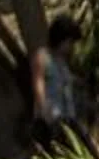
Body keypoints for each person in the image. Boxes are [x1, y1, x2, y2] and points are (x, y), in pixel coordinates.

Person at [28, 16, 89, 151]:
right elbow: (38, 86)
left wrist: (80, 82)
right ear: (60, 39)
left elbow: (64, 81)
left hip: (68, 119)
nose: (71, 47)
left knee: (91, 156)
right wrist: (46, 114)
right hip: (51, 121)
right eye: (70, 42)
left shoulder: (61, 62)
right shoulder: (42, 57)